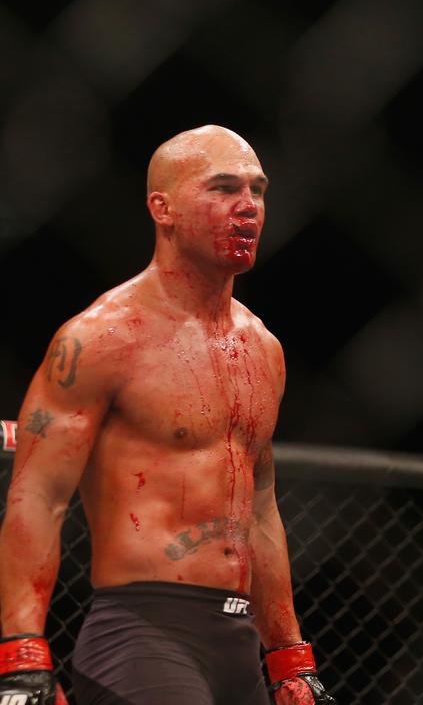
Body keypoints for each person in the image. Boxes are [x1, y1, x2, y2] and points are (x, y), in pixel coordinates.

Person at [0, 126, 335, 705]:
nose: (248, 207)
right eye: (224, 188)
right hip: (142, 634)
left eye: (258, 190)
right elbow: (38, 497)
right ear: (164, 207)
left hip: (238, 642)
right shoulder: (103, 338)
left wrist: (288, 657)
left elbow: (259, 509)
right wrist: (22, 651)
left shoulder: (263, 349)